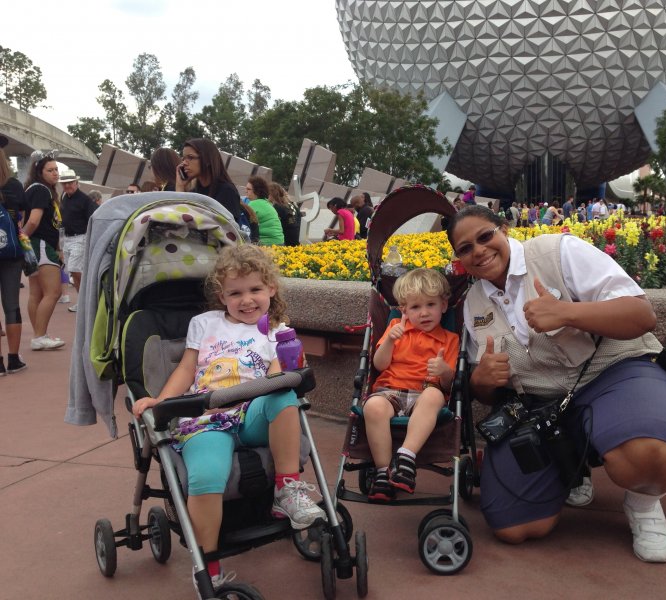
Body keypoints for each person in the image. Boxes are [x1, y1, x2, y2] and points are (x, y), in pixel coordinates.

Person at [446, 205, 666, 563]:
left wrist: (568, 313)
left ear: (505, 229)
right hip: (541, 406)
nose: (479, 251)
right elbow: (486, 389)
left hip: (612, 375)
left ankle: (643, 502)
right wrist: (481, 381)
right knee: (514, 526)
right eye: (466, 248)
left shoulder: (558, 252)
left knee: (648, 456)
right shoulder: (473, 303)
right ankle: (571, 468)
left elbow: (642, 315)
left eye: (485, 236)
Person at [132, 244, 326, 589]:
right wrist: (161, 401)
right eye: (235, 293)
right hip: (207, 418)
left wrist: (293, 366)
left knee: (283, 394)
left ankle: (286, 491)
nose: (246, 300)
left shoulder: (277, 331)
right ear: (222, 296)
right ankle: (209, 568)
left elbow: (280, 376)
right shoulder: (204, 323)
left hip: (252, 414)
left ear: (271, 289)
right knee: (206, 476)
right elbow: (187, 368)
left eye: (255, 290)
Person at [362, 268, 459, 501]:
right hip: (390, 391)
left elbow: (449, 385)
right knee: (373, 406)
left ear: (444, 306)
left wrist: (445, 371)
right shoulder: (396, 327)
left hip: (424, 393)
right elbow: (379, 365)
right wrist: (390, 341)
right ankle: (383, 471)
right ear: (403, 310)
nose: (424, 313)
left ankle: (406, 457)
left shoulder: (450, 339)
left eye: (430, 305)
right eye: (415, 307)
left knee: (435, 396)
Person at [21, 151, 65, 351]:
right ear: (40, 172)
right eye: (50, 170)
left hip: (36, 245)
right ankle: (39, 336)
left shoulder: (33, 188)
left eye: (56, 169)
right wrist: (24, 240)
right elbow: (33, 221)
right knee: (53, 292)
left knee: (36, 293)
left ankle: (39, 335)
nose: (55, 173)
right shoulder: (41, 190)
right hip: (40, 244)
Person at [0, 144, 27, 374]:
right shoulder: (14, 185)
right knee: (12, 306)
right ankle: (13, 359)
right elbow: (21, 220)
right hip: (11, 252)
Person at [177, 139, 242, 224]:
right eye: (183, 158)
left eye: (190, 157)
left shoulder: (227, 191)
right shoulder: (194, 192)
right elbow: (179, 218)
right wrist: (180, 186)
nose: (184, 163)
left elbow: (228, 228)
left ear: (207, 160)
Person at [59, 169, 97, 312]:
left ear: (76, 182)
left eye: (70, 182)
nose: (67, 185)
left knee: (75, 269)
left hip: (80, 237)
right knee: (73, 271)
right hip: (67, 238)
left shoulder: (85, 199)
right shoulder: (64, 197)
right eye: (64, 183)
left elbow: (93, 218)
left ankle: (85, 302)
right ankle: (82, 302)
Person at [245, 177, 283, 246]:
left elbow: (244, 224)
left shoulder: (253, 204)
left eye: (248, 189)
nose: (246, 191)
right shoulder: (267, 203)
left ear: (257, 191)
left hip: (267, 244)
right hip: (280, 242)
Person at [268, 182, 302, 246]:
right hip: (296, 239)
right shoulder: (291, 204)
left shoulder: (277, 207)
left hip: (287, 240)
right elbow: (299, 217)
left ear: (271, 194)